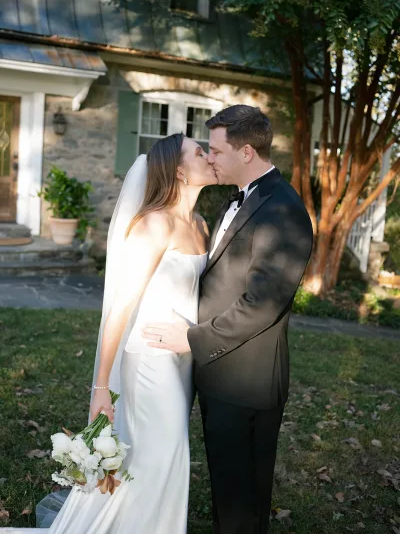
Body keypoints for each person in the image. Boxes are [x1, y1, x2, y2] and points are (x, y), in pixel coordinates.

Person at [143, 105, 314, 534]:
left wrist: (192, 340)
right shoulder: (237, 199)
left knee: (242, 503)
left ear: (246, 153)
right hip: (219, 374)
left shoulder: (284, 212)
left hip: (247, 383)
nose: (210, 157)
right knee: (226, 486)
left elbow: (262, 304)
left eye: (216, 150)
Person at [38, 133, 217, 534]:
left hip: (182, 360)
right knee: (167, 452)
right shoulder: (155, 223)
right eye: (199, 152)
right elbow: (119, 308)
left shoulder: (202, 224)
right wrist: (102, 385)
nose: (208, 155)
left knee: (158, 457)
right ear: (177, 169)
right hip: (150, 361)